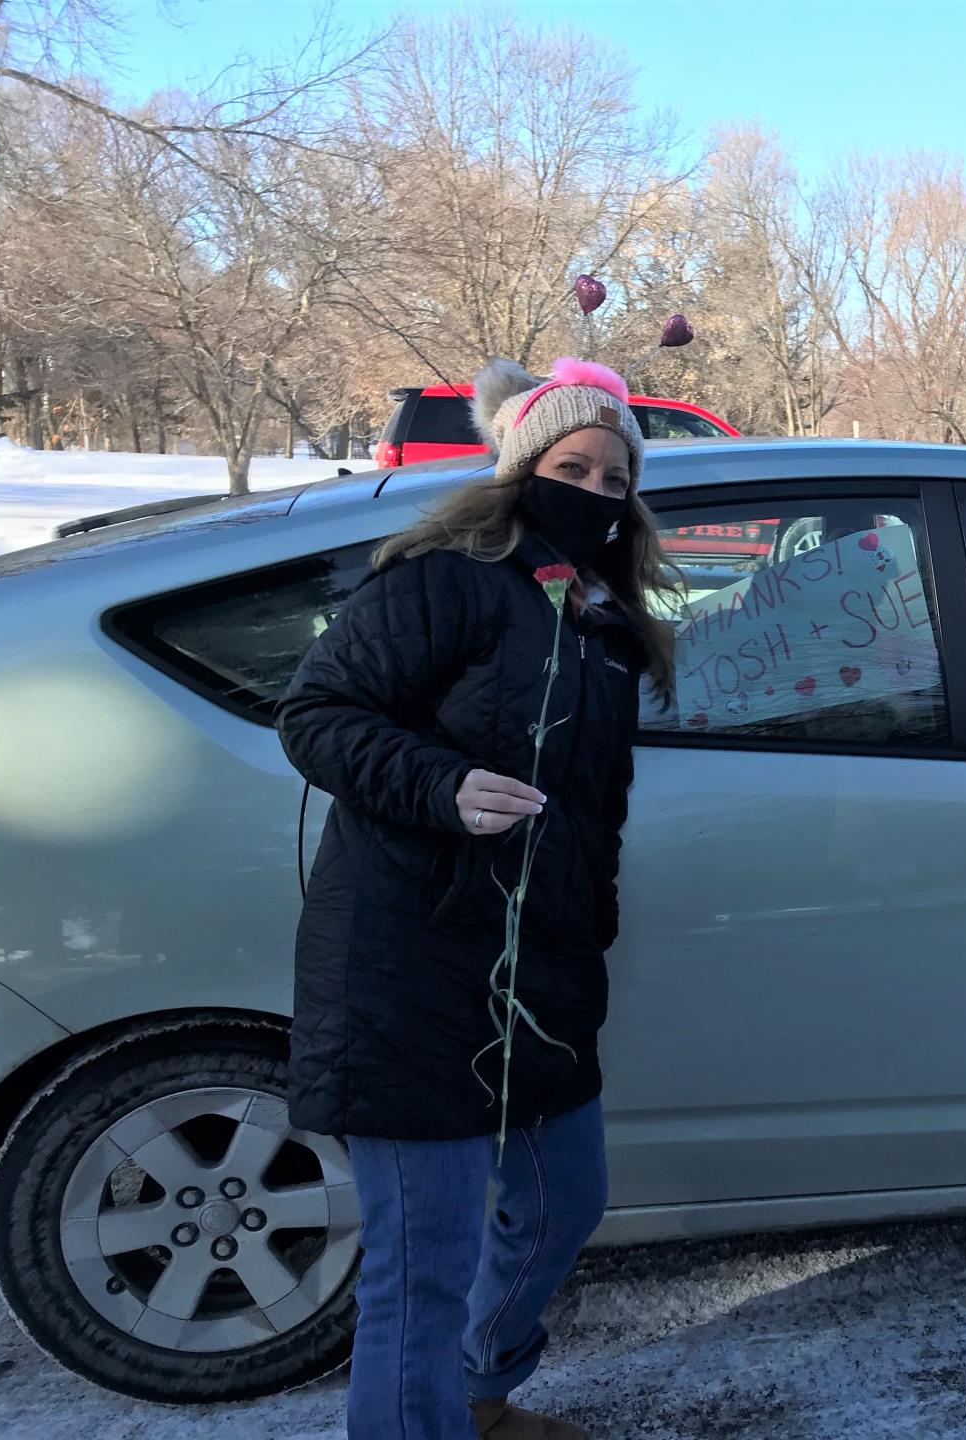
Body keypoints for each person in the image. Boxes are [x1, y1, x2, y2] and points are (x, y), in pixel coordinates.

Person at [277, 355, 681, 1440]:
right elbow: (316, 715)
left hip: (537, 972)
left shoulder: (599, 621)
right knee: (423, 1267)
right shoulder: (443, 576)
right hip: (410, 963)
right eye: (573, 466)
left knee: (562, 1203)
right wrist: (441, 784)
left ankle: (477, 1391)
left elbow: (588, 812)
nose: (595, 492)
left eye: (614, 479)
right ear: (518, 467)